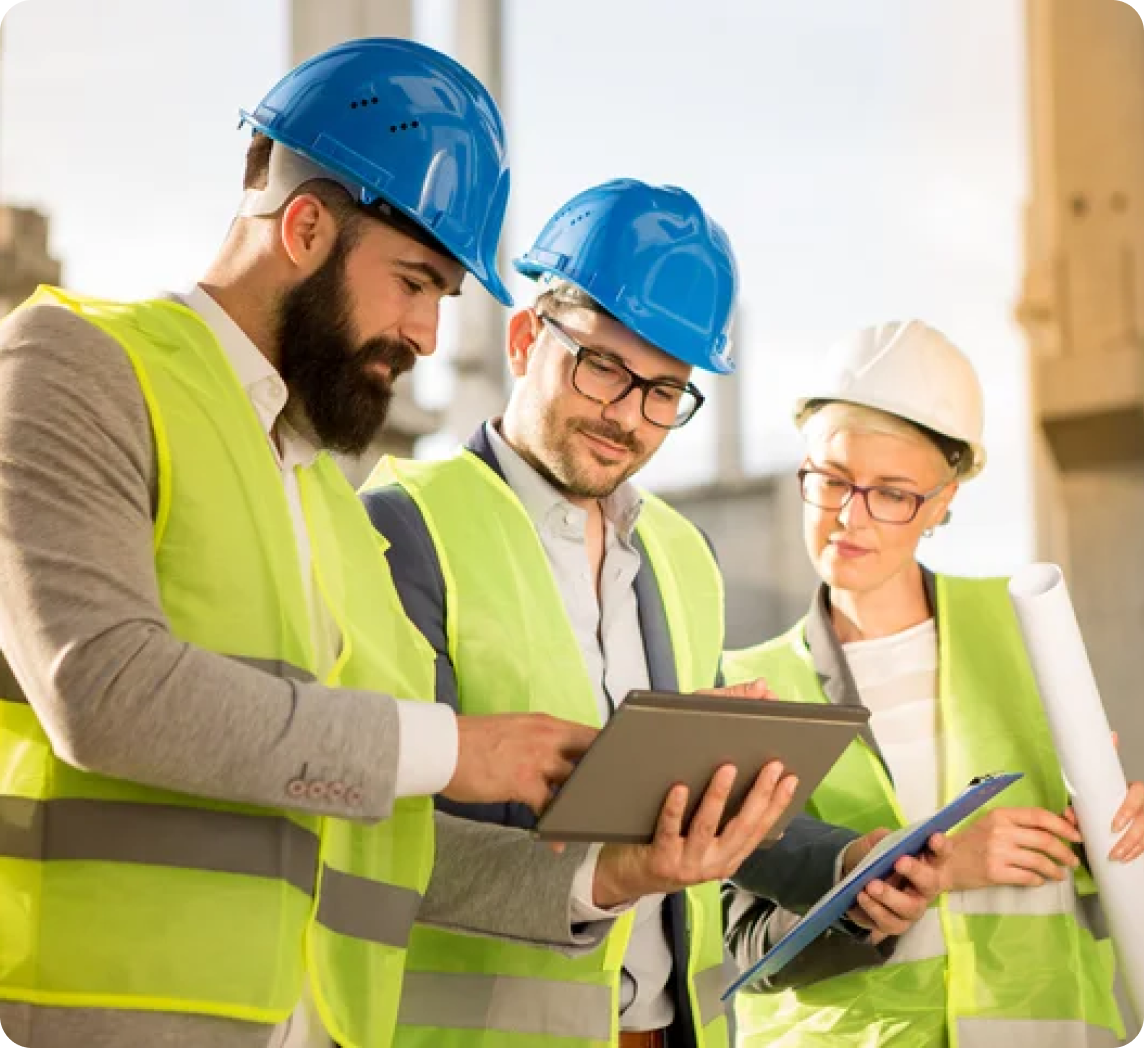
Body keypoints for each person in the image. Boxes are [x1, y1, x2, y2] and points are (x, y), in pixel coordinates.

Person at [0, 38, 654, 1048]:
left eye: (444, 297)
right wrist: (455, 747)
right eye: (414, 282)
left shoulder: (334, 508)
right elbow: (102, 689)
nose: (429, 333)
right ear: (304, 225)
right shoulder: (78, 369)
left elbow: (377, 832)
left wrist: (608, 875)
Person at [363, 182, 943, 1048]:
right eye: (602, 366)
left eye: (665, 391)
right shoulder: (404, 529)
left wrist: (846, 864)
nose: (627, 418)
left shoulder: (678, 553)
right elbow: (382, 833)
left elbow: (703, 809)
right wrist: (611, 873)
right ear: (526, 338)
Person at [722, 319, 1144, 1047]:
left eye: (892, 493)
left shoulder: (1028, 637)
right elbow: (745, 949)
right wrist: (934, 870)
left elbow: (1099, 893)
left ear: (943, 501)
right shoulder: (745, 685)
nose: (850, 517)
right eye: (831, 480)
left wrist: (1126, 836)